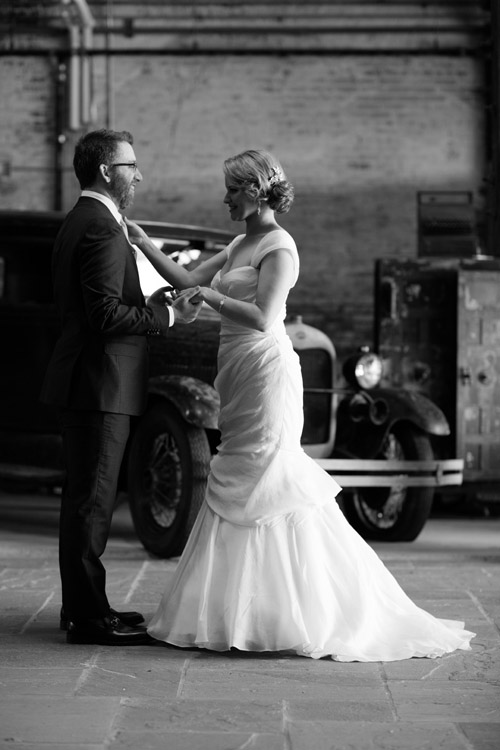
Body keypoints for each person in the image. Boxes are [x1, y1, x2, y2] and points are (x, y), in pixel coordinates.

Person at [125, 148, 475, 661]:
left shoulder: (279, 246)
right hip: (235, 372)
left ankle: (309, 609)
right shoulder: (241, 242)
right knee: (239, 470)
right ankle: (242, 610)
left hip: (267, 372)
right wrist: (143, 245)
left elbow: (265, 317)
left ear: (254, 190)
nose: (223, 198)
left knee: (269, 475)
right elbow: (189, 281)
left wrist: (211, 301)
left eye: (230, 189)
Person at [40, 129, 202, 646]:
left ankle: (86, 607)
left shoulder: (88, 222)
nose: (138, 173)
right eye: (131, 165)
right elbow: (106, 313)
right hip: (99, 384)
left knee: (87, 501)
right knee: (91, 504)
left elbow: (102, 302)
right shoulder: (100, 228)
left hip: (93, 382)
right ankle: (89, 620)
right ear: (107, 172)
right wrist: (165, 315)